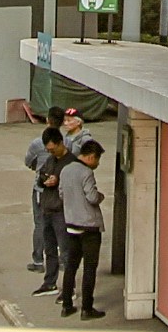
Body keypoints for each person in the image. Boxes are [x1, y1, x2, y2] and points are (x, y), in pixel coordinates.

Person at [53, 135, 108, 318]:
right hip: (89, 227)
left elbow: (61, 194)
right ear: (91, 156)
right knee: (90, 268)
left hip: (71, 224)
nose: (97, 164)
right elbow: (92, 197)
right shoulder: (87, 173)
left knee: (71, 266)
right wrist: (100, 196)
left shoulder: (66, 170)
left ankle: (67, 305)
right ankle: (86, 308)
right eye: (97, 159)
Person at [26, 122, 70, 291]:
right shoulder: (51, 160)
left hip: (60, 211)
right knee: (50, 249)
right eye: (48, 150)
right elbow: (40, 177)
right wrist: (44, 180)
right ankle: (49, 282)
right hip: (47, 208)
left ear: (60, 144)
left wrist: (58, 181)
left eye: (52, 149)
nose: (50, 153)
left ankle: (68, 288)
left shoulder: (69, 162)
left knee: (64, 250)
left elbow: (72, 186)